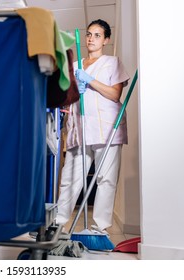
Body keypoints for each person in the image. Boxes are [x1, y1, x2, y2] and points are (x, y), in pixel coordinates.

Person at [55, 19, 130, 234]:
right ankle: (59, 223)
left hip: (107, 129)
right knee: (70, 178)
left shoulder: (112, 62)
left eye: (97, 35)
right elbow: (68, 98)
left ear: (106, 40)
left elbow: (115, 94)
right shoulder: (76, 65)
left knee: (105, 178)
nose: (91, 38)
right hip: (79, 128)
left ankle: (100, 228)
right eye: (89, 34)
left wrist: (90, 81)